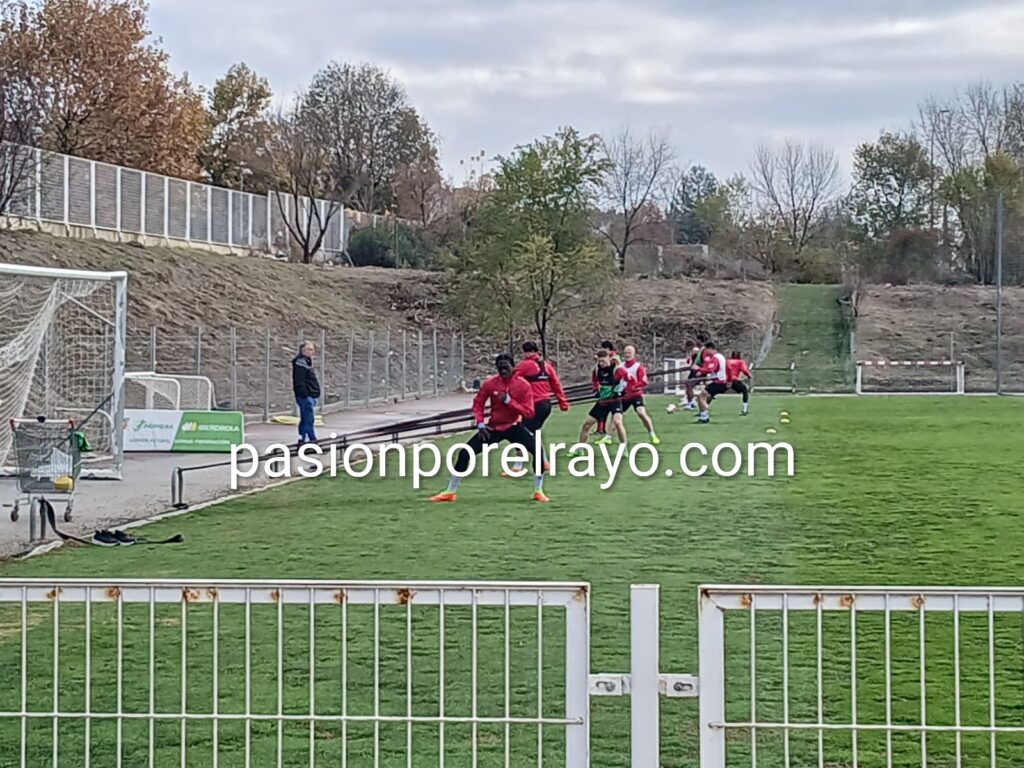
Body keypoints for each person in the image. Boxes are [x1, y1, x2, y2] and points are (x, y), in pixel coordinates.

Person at [430, 353, 549, 503]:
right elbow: (478, 403)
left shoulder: (523, 385)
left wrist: (509, 401)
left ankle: (538, 491)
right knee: (465, 452)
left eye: (505, 368)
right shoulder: (490, 384)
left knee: (538, 453)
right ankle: (450, 491)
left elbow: (529, 412)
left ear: (513, 367)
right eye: (500, 368)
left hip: (514, 426)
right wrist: (480, 423)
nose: (503, 371)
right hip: (493, 428)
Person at [507, 342, 569, 475]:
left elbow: (511, 379)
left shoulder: (525, 365)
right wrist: (562, 401)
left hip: (534, 405)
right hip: (546, 405)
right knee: (533, 433)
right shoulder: (546, 365)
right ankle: (544, 462)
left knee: (521, 433)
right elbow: (556, 383)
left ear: (526, 352)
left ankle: (518, 466)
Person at [578, 349, 627, 449]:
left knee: (618, 422)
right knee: (586, 425)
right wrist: (596, 390)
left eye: (603, 361)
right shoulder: (597, 370)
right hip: (603, 401)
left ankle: (624, 448)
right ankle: (580, 449)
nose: (601, 363)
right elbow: (595, 381)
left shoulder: (617, 369)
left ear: (609, 358)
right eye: (599, 361)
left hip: (615, 401)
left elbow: (629, 379)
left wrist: (622, 391)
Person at [620, 345, 660, 444]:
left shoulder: (638, 367)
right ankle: (608, 437)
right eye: (625, 353)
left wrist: (633, 387)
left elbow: (644, 381)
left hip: (635, 394)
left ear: (634, 354)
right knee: (616, 416)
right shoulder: (620, 366)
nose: (627, 355)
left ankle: (652, 434)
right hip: (624, 395)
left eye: (629, 353)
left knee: (641, 413)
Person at [592, 340, 622, 443]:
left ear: (609, 349)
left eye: (604, 348)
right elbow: (596, 374)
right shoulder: (600, 362)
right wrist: (596, 389)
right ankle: (602, 430)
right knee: (604, 413)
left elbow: (619, 371)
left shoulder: (615, 359)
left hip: (615, 392)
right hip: (605, 393)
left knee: (616, 418)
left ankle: (609, 436)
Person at [291, 341, 321, 445]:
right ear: (303, 350)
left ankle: (302, 439)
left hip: (308, 396)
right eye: (310, 349)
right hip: (305, 396)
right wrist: (305, 395)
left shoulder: (306, 362)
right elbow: (300, 381)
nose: (312, 352)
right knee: (308, 420)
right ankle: (311, 440)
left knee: (306, 419)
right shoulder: (300, 363)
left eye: (312, 349)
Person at [694, 341, 728, 424]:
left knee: (701, 396)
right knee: (706, 396)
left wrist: (698, 369)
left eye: (706, 350)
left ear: (710, 349)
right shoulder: (720, 356)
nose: (705, 352)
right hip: (721, 381)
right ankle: (704, 413)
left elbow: (711, 369)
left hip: (718, 382)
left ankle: (704, 416)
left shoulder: (715, 357)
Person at [726, 350, 753, 416]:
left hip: (725, 380)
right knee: (744, 391)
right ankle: (744, 410)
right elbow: (744, 370)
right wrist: (749, 375)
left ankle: (703, 409)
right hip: (734, 380)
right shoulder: (740, 362)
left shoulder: (727, 361)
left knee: (711, 392)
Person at [681, 339, 704, 410]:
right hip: (694, 370)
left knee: (689, 385)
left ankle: (691, 402)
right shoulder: (692, 351)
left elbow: (697, 360)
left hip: (696, 370)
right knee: (688, 385)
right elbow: (690, 361)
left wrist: (694, 365)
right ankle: (691, 401)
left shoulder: (695, 350)